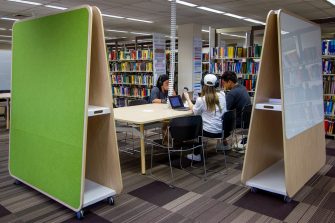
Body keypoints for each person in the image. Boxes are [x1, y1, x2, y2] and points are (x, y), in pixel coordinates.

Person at [184, 74, 226, 161]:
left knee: (195, 126)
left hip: (207, 132)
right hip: (220, 131)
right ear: (217, 84)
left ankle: (197, 155)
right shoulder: (222, 95)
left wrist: (188, 99)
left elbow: (195, 111)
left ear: (203, 84)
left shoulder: (201, 100)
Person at [221, 71, 251, 149]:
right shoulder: (243, 88)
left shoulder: (232, 93)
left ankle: (224, 144)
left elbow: (225, 110)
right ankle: (224, 143)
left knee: (218, 121)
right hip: (246, 120)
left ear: (230, 82)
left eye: (224, 83)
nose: (223, 85)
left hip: (238, 122)